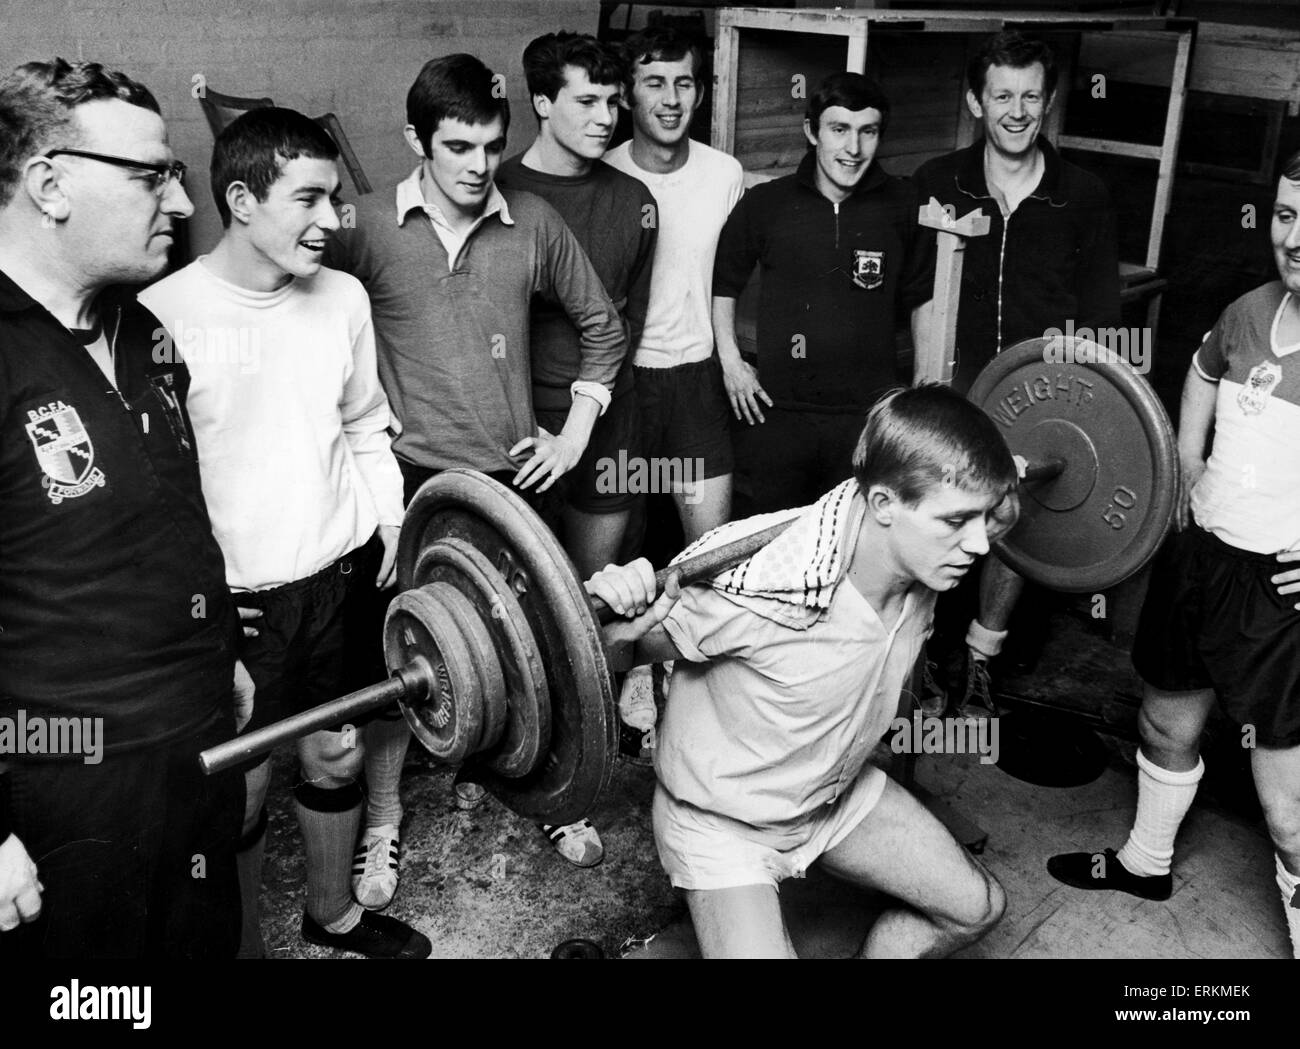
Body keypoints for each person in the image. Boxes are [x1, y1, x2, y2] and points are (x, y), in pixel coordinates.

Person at [587, 384, 1017, 958]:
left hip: (831, 796)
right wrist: (610, 608)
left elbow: (997, 508)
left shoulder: (926, 560)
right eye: (958, 520)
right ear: (884, 505)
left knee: (978, 909)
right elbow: (608, 657)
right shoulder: (760, 589)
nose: (979, 544)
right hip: (725, 824)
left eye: (985, 518)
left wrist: (993, 488)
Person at [140, 108, 429, 958]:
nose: (333, 220)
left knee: (336, 754)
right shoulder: (161, 317)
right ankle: (242, 948)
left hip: (340, 578)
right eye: (309, 198)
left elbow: (368, 423)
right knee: (241, 788)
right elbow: (156, 496)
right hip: (235, 604)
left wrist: (388, 530)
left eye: (336, 198)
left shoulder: (340, 296)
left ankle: (331, 913)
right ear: (240, 199)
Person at [328, 53, 626, 869]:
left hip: (509, 485)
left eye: (492, 146)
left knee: (541, 651)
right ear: (415, 139)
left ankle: (554, 801)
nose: (478, 166)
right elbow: (308, 313)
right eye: (457, 146)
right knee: (398, 655)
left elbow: (603, 327)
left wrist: (572, 434)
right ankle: (384, 824)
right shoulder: (364, 224)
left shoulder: (531, 221)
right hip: (408, 486)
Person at [0, 58, 246, 956]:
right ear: (49, 184)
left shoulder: (141, 329)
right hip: (62, 774)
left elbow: (173, 513)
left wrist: (218, 653)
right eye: (153, 176)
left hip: (193, 737)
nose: (181, 205)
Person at [1047, 153, 1300, 959]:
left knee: (1289, 806)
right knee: (1163, 719)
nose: (1296, 237)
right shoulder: (1249, 309)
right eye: (1288, 215)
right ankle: (1146, 861)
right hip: (1203, 557)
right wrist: (1189, 460)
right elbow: (1198, 374)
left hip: (1279, 587)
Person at [912, 31, 1120, 717]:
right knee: (935, 522)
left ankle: (980, 658)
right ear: (976, 101)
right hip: (952, 386)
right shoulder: (938, 181)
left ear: (1050, 102)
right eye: (1003, 94)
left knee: (1011, 523)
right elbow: (907, 293)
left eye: (1031, 95)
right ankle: (917, 661)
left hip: (1038, 395)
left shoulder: (1082, 195)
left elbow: (1099, 312)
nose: (1017, 110)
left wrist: (1078, 401)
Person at [712, 71, 934, 514]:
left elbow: (922, 303)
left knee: (853, 543)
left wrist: (917, 399)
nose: (853, 149)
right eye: (839, 129)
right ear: (811, 131)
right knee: (776, 543)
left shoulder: (906, 205)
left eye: (867, 132)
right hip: (777, 413)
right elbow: (723, 284)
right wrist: (732, 363)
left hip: (869, 418)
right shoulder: (766, 203)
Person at [496, 31, 657, 580]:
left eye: (612, 102)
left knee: (599, 595)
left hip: (609, 423)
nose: (605, 118)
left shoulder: (635, 200)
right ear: (542, 103)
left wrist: (582, 432)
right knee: (521, 602)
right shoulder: (496, 190)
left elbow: (623, 322)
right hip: (517, 424)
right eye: (586, 101)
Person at [604, 25, 744, 544]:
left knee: (711, 551)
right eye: (654, 82)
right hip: (625, 386)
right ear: (627, 93)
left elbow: (731, 280)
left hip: (696, 386)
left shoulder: (725, 174)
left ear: (700, 94)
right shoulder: (603, 174)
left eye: (683, 84)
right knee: (616, 553)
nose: (670, 99)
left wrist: (730, 356)